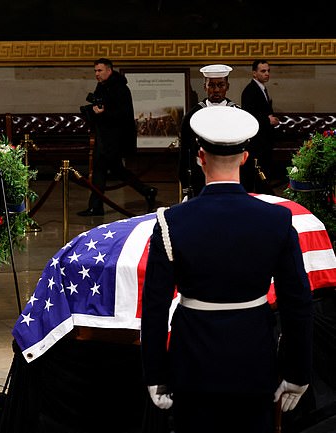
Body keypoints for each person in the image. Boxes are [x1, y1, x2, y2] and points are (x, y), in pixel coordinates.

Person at [141, 106, 313, 433]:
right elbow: (297, 303)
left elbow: (154, 306)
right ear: (246, 157)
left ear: (200, 157)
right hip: (254, 359)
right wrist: (297, 372)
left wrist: (156, 374)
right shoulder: (276, 220)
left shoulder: (171, 223)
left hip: (192, 362)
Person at [78, 58, 157, 216]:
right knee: (115, 170)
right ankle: (147, 190)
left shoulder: (120, 89)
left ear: (109, 70)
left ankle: (96, 206)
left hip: (115, 138)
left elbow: (122, 114)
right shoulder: (102, 86)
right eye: (95, 71)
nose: (97, 74)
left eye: (99, 71)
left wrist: (103, 112)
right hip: (105, 136)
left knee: (101, 169)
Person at [178, 64, 239, 199]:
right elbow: (185, 152)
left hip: (230, 175)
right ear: (204, 87)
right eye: (211, 85)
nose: (216, 90)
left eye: (221, 85)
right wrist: (186, 183)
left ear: (227, 87)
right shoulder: (192, 116)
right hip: (200, 177)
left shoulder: (238, 114)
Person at [241, 59, 280, 192]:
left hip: (265, 139)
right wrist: (267, 120)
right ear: (254, 73)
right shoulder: (250, 90)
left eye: (268, 71)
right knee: (258, 173)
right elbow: (248, 115)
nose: (267, 74)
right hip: (257, 140)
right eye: (263, 71)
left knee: (265, 172)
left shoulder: (262, 89)